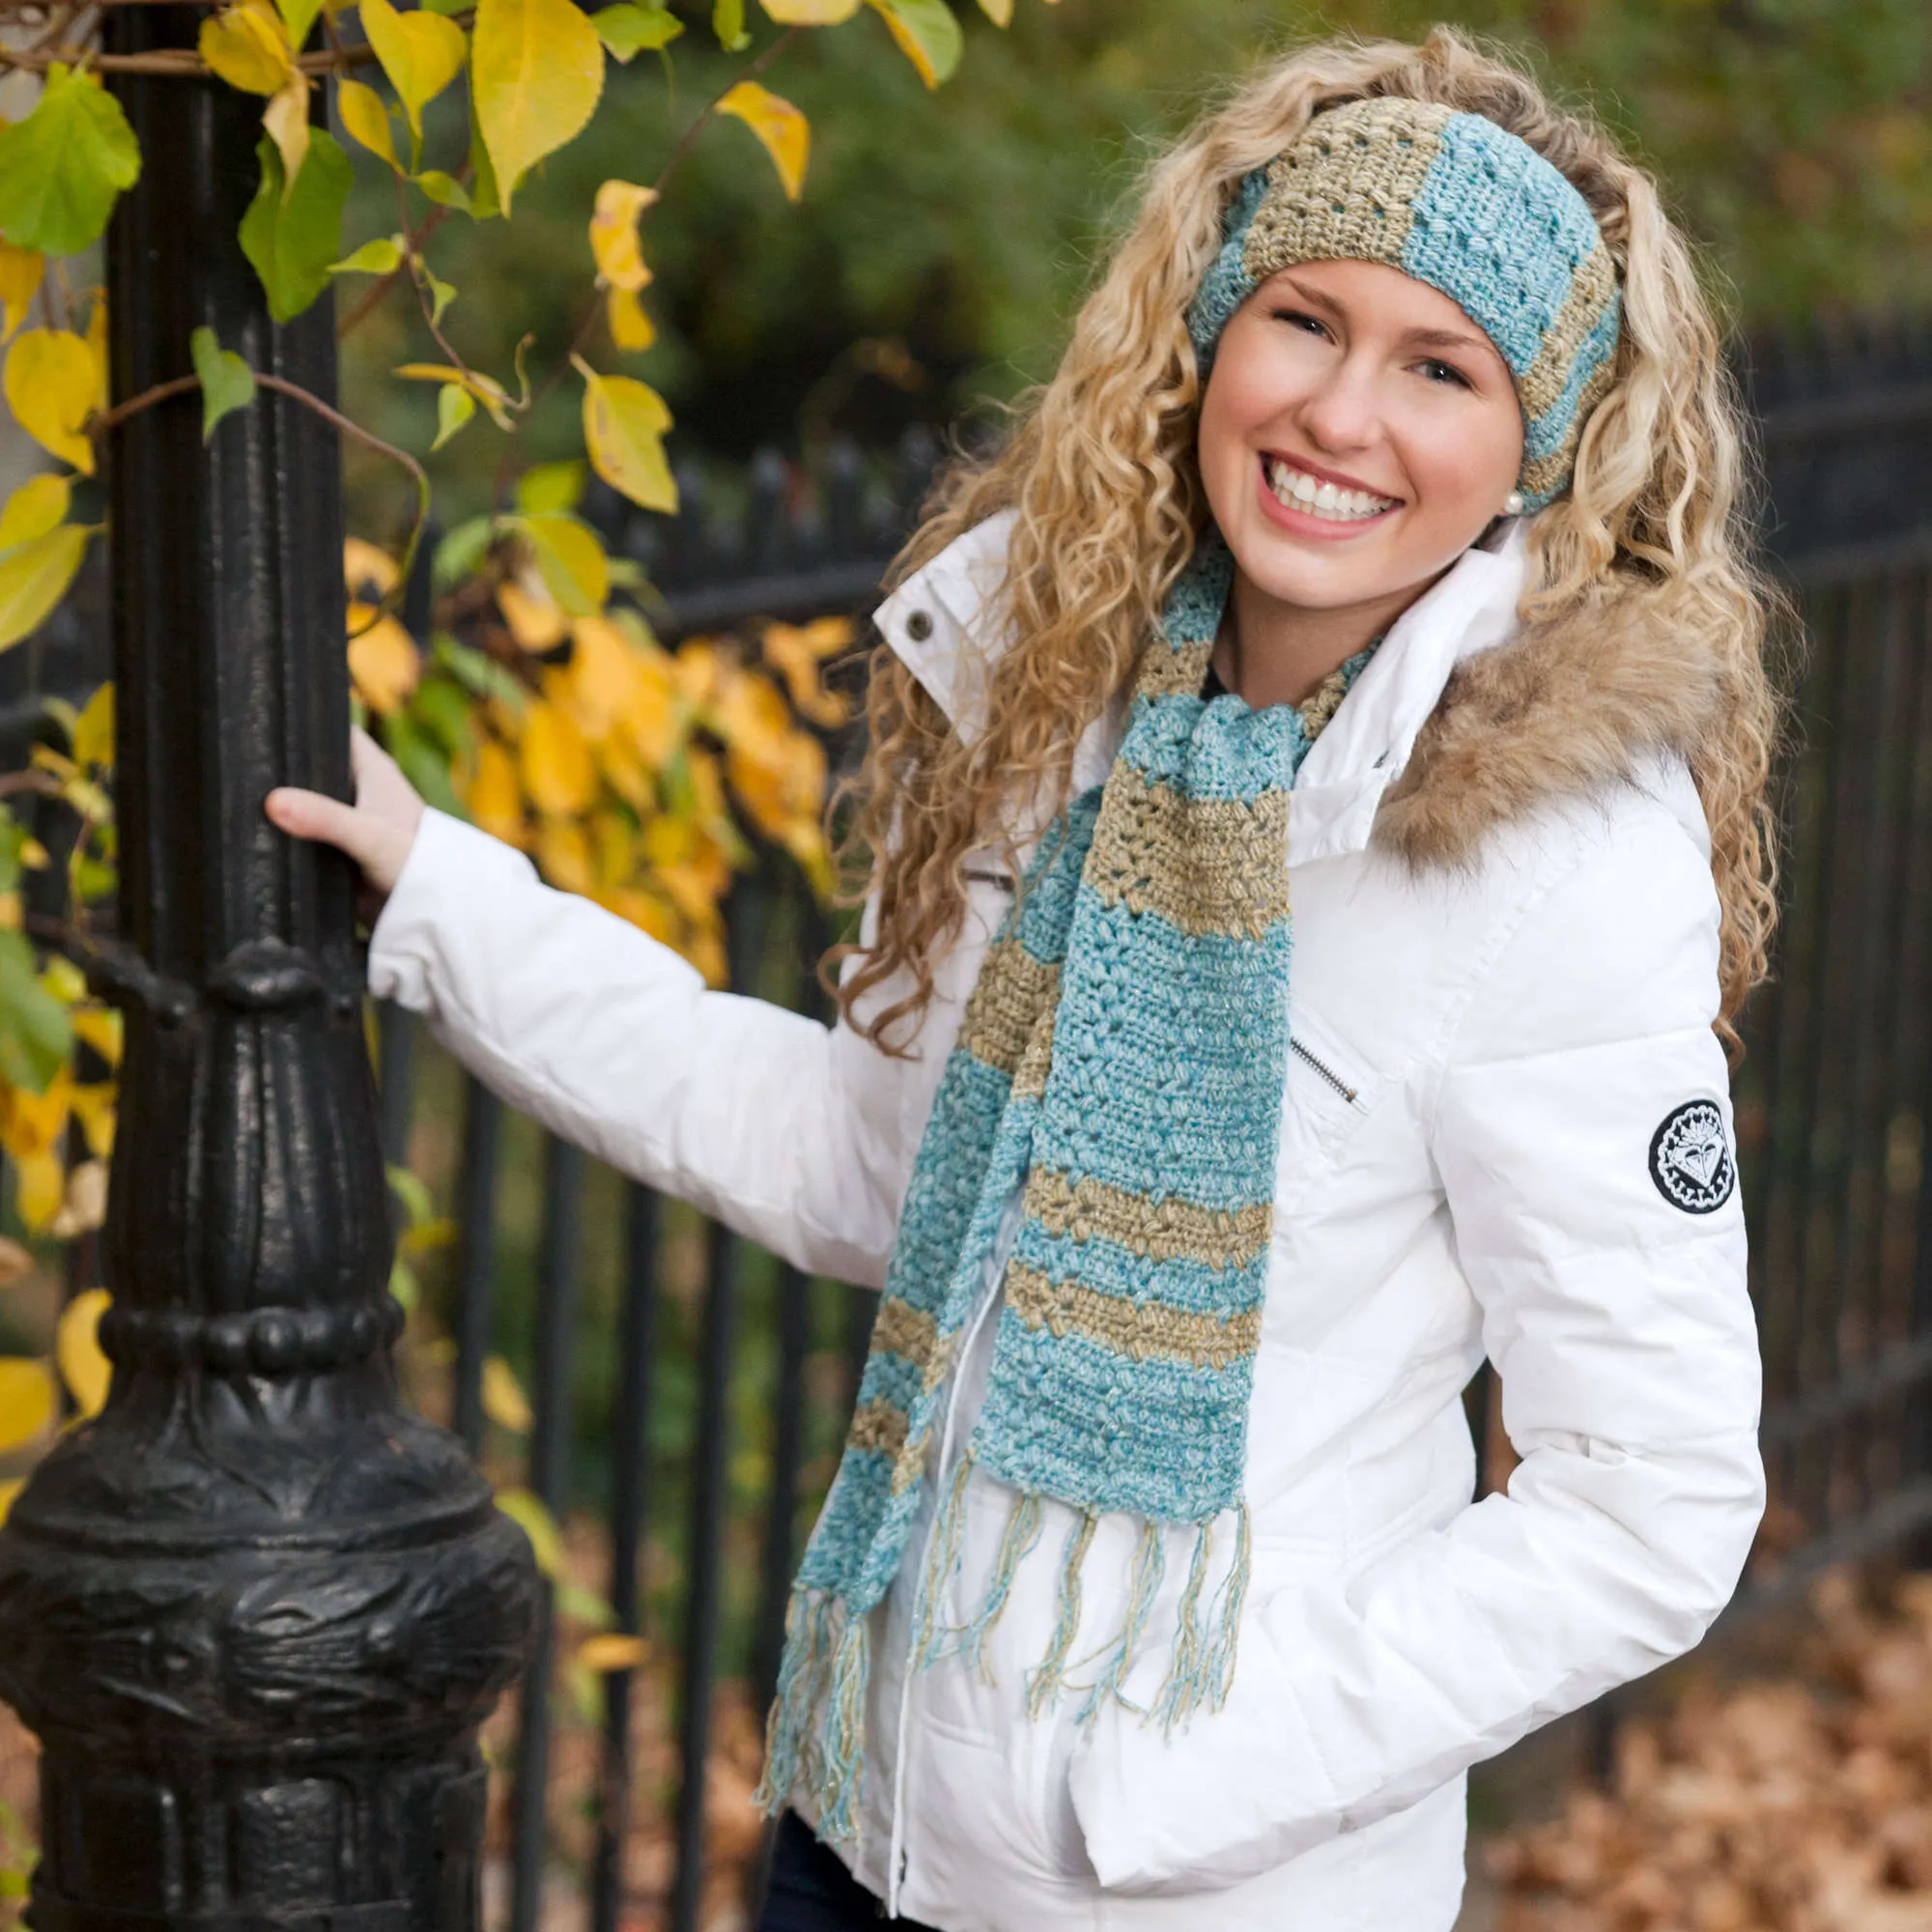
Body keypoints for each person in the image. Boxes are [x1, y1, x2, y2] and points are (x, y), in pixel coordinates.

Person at [268, 24, 1779, 1932]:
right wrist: (437, 897)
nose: (1340, 412)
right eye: (1303, 319)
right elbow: (858, 1158)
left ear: (1528, 446)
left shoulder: (1541, 857)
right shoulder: (1060, 712)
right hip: (856, 1833)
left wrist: (1162, 1797)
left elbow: (1649, 1502)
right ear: (1213, 329)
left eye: (1439, 366)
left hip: (1185, 1891)